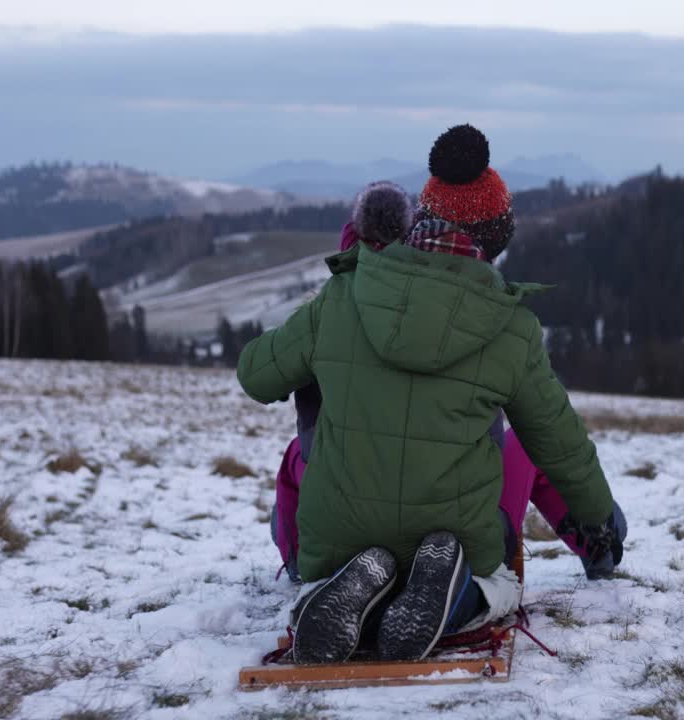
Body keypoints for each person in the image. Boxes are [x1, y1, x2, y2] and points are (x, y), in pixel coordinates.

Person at [238, 125, 624, 665]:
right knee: (500, 588)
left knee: (338, 524)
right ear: (497, 239)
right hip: (457, 531)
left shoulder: (343, 294)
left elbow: (256, 376)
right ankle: (454, 590)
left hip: (341, 533)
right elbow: (560, 445)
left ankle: (355, 584)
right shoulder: (510, 327)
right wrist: (602, 523)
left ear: (420, 221)